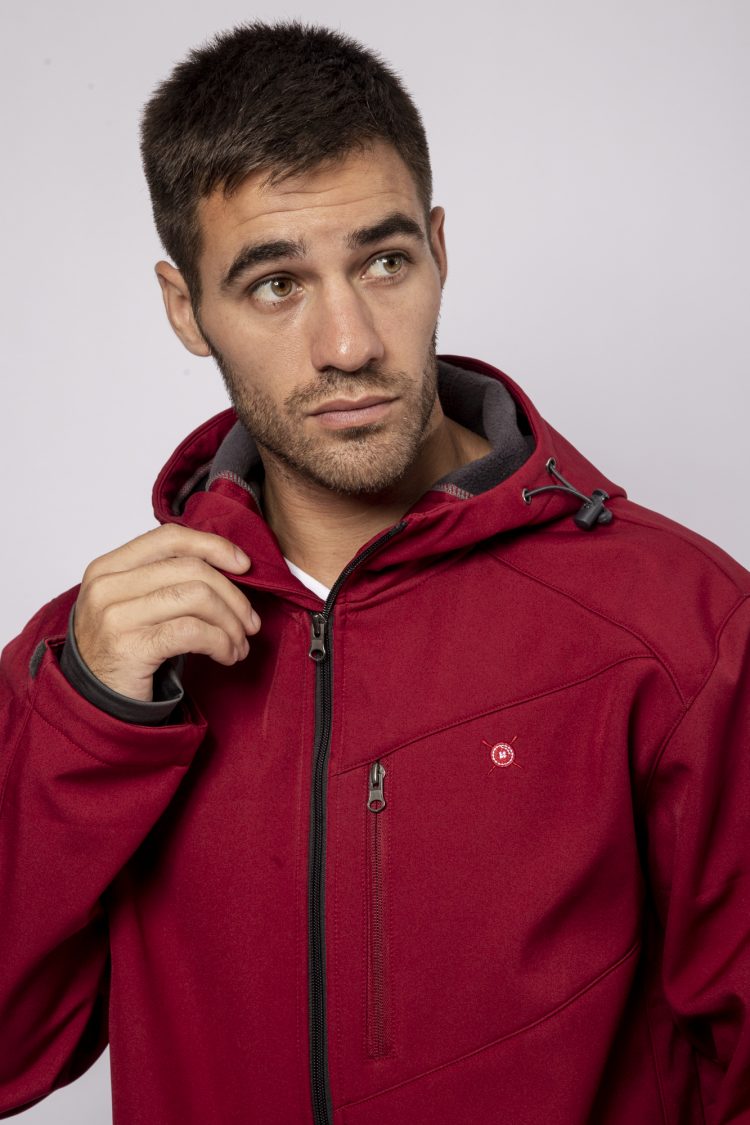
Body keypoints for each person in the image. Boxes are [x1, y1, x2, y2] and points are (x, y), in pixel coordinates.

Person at [0, 20, 748, 1125]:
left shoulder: (679, 623)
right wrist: (93, 723)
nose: (349, 344)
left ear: (438, 249)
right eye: (275, 284)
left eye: (384, 262)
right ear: (185, 308)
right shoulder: (95, 665)